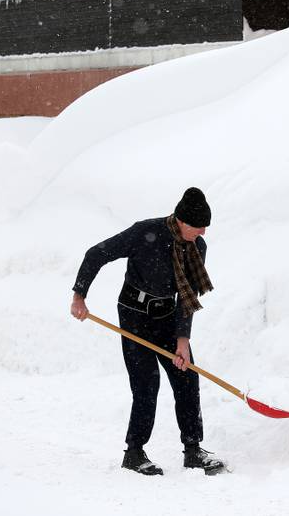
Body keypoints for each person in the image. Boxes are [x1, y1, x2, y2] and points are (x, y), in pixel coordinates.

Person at [70, 187, 227, 476]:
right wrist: (80, 295)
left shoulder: (197, 247)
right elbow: (96, 254)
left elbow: (188, 296)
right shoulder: (145, 232)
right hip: (134, 314)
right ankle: (134, 452)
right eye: (198, 226)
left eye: (205, 226)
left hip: (167, 315)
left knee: (186, 376)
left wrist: (182, 340)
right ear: (181, 220)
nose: (203, 232)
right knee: (146, 383)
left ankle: (193, 450)